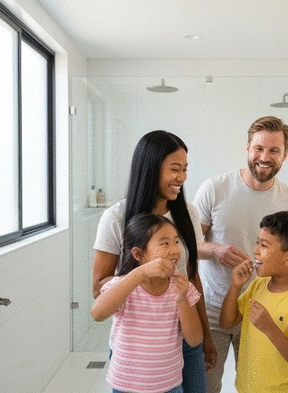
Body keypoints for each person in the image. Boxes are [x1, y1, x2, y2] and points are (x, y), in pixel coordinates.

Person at [92, 130, 216, 392]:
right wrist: (143, 274)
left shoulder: (188, 214)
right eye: (174, 169)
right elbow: (98, 288)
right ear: (151, 169)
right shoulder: (116, 218)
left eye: (184, 169)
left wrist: (205, 335)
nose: (181, 177)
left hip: (184, 332)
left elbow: (193, 277)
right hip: (138, 345)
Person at [193, 115, 288, 393]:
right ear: (247, 148)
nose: (264, 157)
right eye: (258, 148)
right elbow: (188, 246)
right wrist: (216, 250)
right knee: (205, 388)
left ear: (285, 154)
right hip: (211, 311)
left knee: (256, 387)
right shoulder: (216, 188)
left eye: (274, 150)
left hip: (260, 314)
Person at [91, 213, 203, 393]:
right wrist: (139, 274)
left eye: (176, 241)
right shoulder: (124, 285)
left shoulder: (182, 287)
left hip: (169, 386)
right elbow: (97, 313)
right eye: (165, 243)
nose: (174, 250)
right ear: (138, 253)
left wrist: (182, 299)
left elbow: (195, 339)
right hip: (125, 386)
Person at [220, 211, 288, 392]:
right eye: (257, 243)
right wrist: (235, 286)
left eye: (264, 245)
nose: (255, 250)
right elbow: (227, 322)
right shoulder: (258, 286)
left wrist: (270, 329)